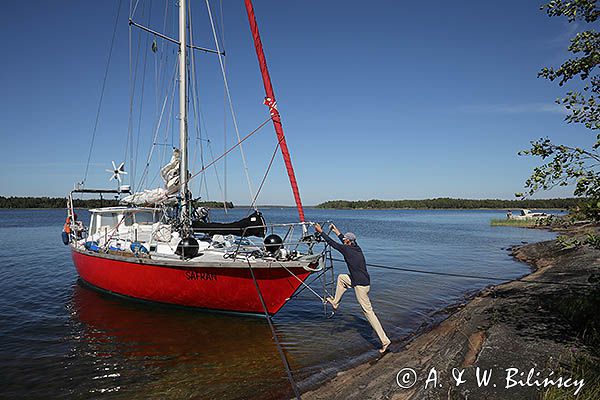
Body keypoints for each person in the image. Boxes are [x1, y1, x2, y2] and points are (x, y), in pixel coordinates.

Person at [315, 223, 391, 353]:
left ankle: (385, 340)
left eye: (345, 240)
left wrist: (321, 232)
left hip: (361, 286)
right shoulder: (356, 247)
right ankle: (335, 302)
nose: (344, 240)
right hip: (363, 281)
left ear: (349, 242)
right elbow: (341, 239)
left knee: (368, 313)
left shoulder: (346, 249)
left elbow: (333, 244)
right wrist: (335, 230)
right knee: (342, 278)